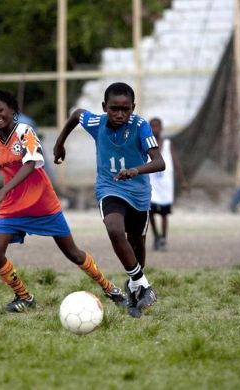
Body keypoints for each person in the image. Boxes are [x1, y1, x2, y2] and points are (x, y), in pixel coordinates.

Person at [0, 90, 125, 313]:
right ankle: (24, 297)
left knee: (72, 253)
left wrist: (0, 192)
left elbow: (30, 164)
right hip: (12, 207)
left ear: (12, 110)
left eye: (0, 110)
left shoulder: (25, 132)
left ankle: (110, 289)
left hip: (42, 204)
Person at [54, 82, 166, 318]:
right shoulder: (97, 123)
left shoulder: (140, 126)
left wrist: (135, 170)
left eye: (125, 109)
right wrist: (59, 143)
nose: (119, 114)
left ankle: (136, 289)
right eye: (114, 108)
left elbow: (159, 162)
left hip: (138, 194)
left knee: (137, 247)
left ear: (133, 108)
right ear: (104, 106)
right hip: (109, 187)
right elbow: (76, 115)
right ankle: (144, 286)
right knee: (115, 229)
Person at [147, 117, 189, 251]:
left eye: (157, 126)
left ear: (161, 128)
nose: (155, 129)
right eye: (152, 127)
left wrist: (183, 180)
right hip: (151, 183)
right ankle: (156, 236)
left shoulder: (168, 144)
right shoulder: (146, 144)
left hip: (165, 184)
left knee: (164, 214)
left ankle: (164, 237)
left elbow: (176, 162)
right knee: (150, 212)